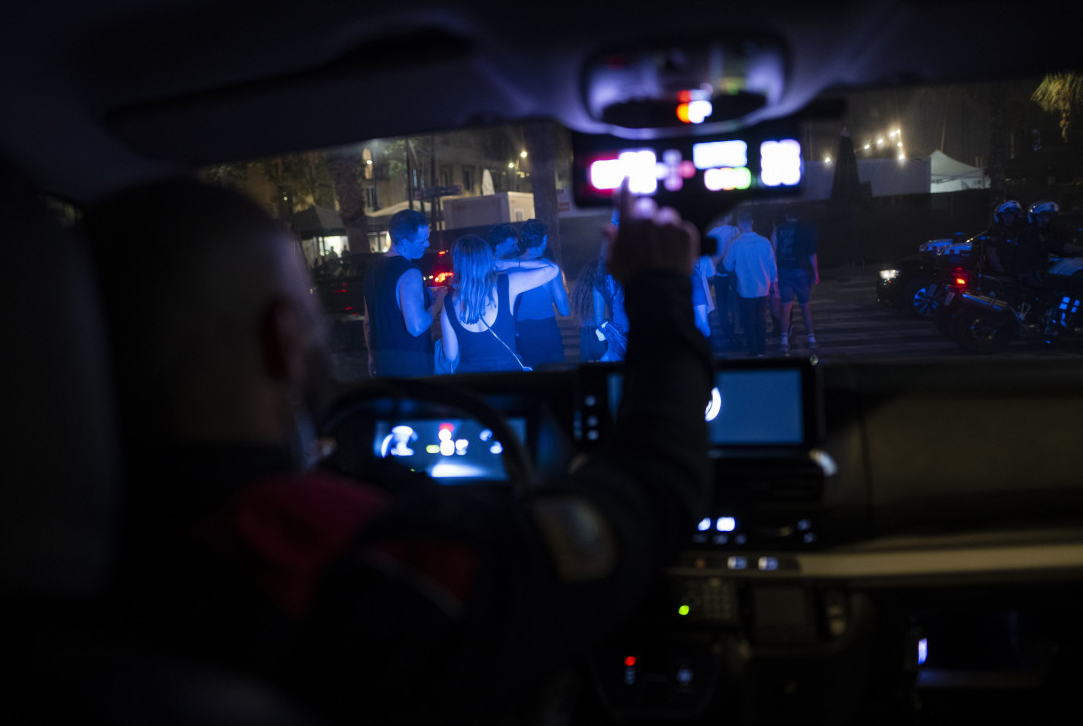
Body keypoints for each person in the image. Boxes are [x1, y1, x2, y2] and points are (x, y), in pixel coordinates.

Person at [85, 179, 712, 724]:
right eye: (308, 312)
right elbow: (649, 501)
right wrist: (659, 289)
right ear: (283, 337)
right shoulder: (365, 560)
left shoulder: (81, 554)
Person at [440, 234, 560, 373]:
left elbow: (451, 355)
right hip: (506, 374)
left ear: (458, 263)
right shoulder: (506, 285)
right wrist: (510, 263)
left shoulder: (449, 302)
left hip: (469, 376)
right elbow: (552, 269)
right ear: (487, 258)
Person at [363, 208, 445, 377]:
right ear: (405, 243)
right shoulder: (410, 272)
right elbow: (416, 327)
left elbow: (368, 322)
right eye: (422, 241)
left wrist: (371, 356)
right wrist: (438, 302)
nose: (427, 244)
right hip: (412, 366)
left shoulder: (372, 269)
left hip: (383, 365)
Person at [513, 219, 571, 367]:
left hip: (517, 331)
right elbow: (564, 310)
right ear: (544, 239)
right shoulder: (549, 269)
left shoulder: (508, 267)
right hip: (545, 330)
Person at [720, 210, 777, 357]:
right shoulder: (765, 242)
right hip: (763, 288)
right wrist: (773, 283)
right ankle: (761, 350)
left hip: (745, 289)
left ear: (739, 223)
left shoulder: (735, 243)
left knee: (748, 321)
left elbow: (727, 266)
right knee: (761, 319)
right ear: (752, 222)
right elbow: (772, 265)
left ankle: (753, 352)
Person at [771, 208, 820, 350]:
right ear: (799, 216)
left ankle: (784, 341)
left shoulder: (778, 230)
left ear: (787, 216)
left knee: (786, 307)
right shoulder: (806, 229)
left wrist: (774, 274)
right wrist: (816, 273)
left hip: (784, 271)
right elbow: (812, 254)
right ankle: (811, 339)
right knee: (805, 306)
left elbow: (773, 253)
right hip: (801, 270)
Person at [1013, 200, 1082, 286]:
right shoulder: (1030, 233)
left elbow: (1059, 245)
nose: (1045, 219)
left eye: (1048, 216)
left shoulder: (1046, 231)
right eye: (1042, 216)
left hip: (1041, 270)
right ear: (1034, 216)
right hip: (1032, 273)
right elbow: (1058, 246)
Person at [706, 214, 741, 347]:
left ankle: (726, 333)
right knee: (735, 305)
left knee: (721, 306)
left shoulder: (711, 233)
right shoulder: (735, 230)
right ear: (729, 217)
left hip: (718, 274)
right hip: (733, 274)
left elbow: (708, 256)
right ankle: (736, 333)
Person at [983, 199, 1023, 275]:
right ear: (1000, 216)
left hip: (1011, 271)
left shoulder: (1013, 232)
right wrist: (1002, 272)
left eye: (1012, 215)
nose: (1010, 218)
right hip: (997, 274)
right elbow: (991, 253)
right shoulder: (996, 231)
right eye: (1006, 215)